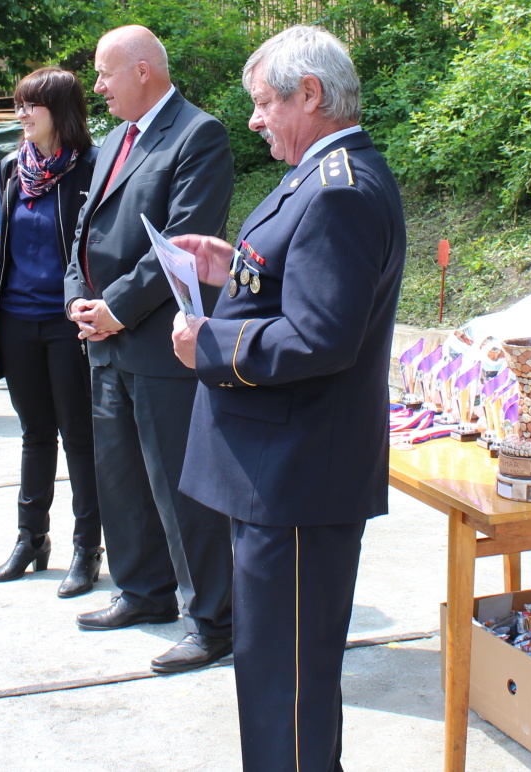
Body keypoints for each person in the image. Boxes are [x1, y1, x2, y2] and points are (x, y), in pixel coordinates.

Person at [171, 25, 407, 770]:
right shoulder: (320, 172)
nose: (253, 118)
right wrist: (226, 268)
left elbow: (320, 337)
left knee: (289, 690)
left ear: (310, 94)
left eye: (264, 102)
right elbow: (289, 281)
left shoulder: (341, 189)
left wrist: (209, 344)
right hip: (281, 472)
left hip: (299, 478)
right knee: (274, 675)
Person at [63, 25, 234, 673]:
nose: (97, 87)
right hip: (105, 340)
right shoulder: (112, 141)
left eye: (105, 74)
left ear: (142, 70)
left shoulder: (198, 135)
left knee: (179, 484)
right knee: (122, 475)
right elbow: (85, 228)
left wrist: (116, 308)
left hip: (162, 343)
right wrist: (80, 296)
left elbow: (184, 238)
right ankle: (144, 591)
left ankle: (214, 619)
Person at [0, 67, 103, 599]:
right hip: (15, 320)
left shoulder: (92, 168)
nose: (21, 114)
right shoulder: (12, 167)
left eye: (31, 105)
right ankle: (31, 539)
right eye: (18, 104)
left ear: (60, 109)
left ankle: (87, 549)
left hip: (65, 323)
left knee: (80, 437)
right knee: (36, 433)